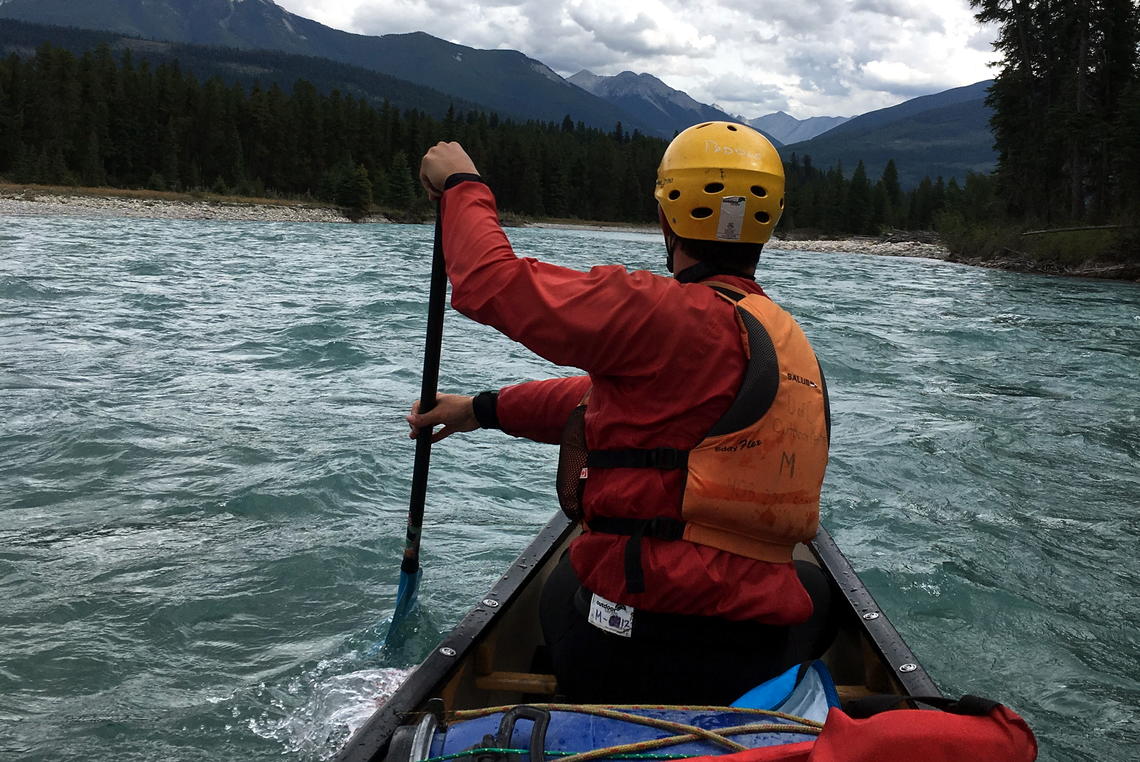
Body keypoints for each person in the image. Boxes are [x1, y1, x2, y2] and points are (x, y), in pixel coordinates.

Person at [409, 122, 836, 705]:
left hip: (632, 648)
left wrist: (461, 185)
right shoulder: (782, 338)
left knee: (562, 590)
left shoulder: (658, 312)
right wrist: (483, 408)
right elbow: (598, 399)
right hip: (752, 654)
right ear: (770, 223)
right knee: (816, 592)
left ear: (666, 217)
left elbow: (489, 283)